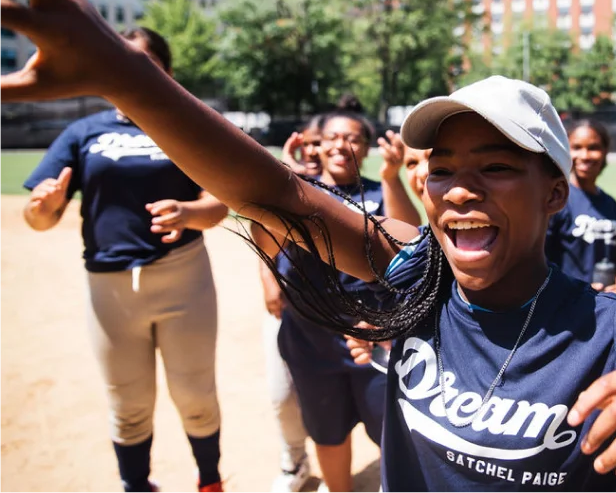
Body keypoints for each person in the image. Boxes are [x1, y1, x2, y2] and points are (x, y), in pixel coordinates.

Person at [0, 0, 616, 492]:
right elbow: (275, 195)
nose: (458, 189)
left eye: (495, 169)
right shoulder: (415, 276)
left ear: (554, 191)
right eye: (443, 168)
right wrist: (122, 76)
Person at [20, 27, 228, 493]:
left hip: (182, 278)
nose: (128, 70)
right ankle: (136, 485)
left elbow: (219, 204)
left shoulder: (189, 122)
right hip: (110, 288)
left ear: (166, 72)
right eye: (119, 59)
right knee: (127, 402)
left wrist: (190, 212)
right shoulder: (83, 132)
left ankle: (210, 481)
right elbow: (38, 216)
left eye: (144, 62)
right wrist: (45, 206)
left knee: (195, 395)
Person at [262, 110, 420, 493]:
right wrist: (288, 177)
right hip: (309, 337)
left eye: (352, 138)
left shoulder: (379, 191)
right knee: (328, 433)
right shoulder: (299, 192)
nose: (340, 145)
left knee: (392, 433)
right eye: (331, 137)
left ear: (365, 148)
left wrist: (390, 177)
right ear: (319, 143)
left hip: (374, 338)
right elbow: (267, 243)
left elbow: (411, 242)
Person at [254, 116, 323, 493]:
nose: (314, 150)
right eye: (308, 143)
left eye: (321, 142)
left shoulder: (347, 190)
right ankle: (294, 458)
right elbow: (263, 242)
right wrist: (267, 278)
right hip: (291, 309)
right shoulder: (289, 188)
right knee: (283, 395)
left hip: (341, 317)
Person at [545, 119, 616, 289]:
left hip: (604, 302)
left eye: (593, 148)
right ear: (566, 150)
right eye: (577, 147)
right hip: (568, 301)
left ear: (605, 151)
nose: (585, 155)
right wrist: (578, 289)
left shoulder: (610, 203)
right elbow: (539, 261)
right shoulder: (556, 199)